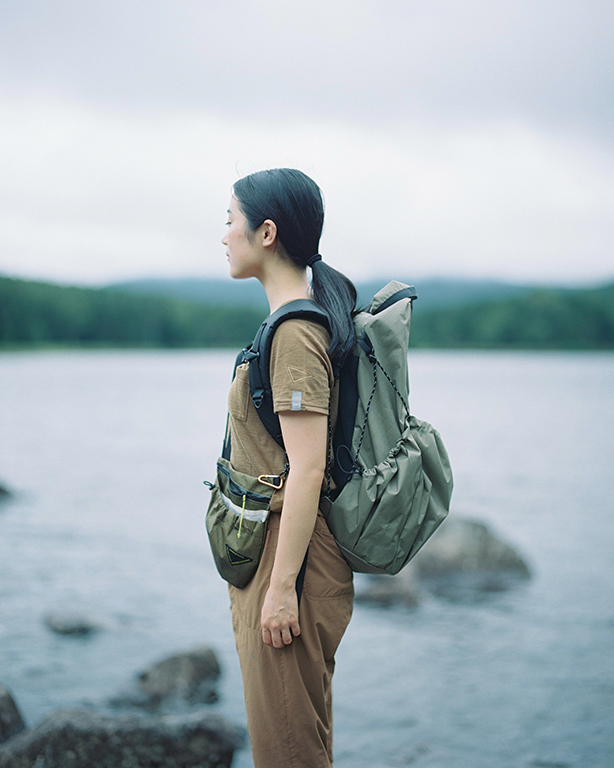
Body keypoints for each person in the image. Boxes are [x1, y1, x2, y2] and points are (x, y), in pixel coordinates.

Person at [220, 168, 357, 767]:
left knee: (289, 755)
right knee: (297, 744)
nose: (224, 235)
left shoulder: (297, 333)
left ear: (266, 232)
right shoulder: (286, 325)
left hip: (289, 563)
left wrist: (280, 591)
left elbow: (306, 470)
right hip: (281, 556)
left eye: (230, 221)